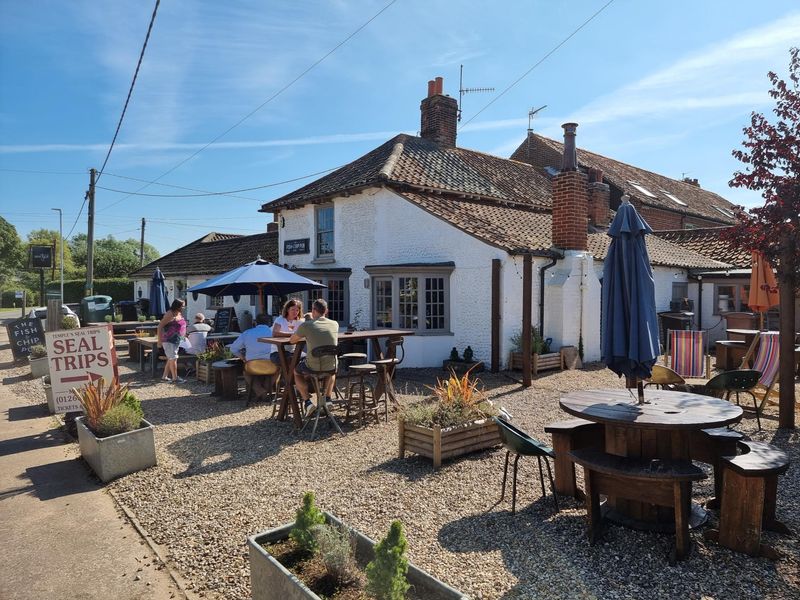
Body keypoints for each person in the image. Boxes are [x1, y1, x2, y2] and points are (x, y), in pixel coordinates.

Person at [289, 298, 339, 411]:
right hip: (331, 365)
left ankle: (307, 402)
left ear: (313, 310)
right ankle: (327, 398)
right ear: (326, 311)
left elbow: (292, 340)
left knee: (296, 372)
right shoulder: (335, 324)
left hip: (313, 366)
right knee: (331, 372)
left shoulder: (306, 325)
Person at [229, 313, 275, 400]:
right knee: (278, 369)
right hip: (271, 365)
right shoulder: (273, 333)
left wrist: (243, 357)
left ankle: (260, 391)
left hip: (253, 365)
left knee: (246, 373)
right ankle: (266, 389)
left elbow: (233, 348)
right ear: (270, 323)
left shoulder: (247, 333)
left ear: (255, 322)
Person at [158, 299, 187, 383]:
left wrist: (184, 335)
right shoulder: (170, 314)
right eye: (182, 306)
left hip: (177, 339)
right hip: (168, 340)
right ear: (177, 306)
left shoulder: (179, 313)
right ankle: (175, 378)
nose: (184, 307)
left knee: (171, 358)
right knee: (173, 358)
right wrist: (159, 341)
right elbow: (160, 327)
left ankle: (164, 376)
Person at [270, 298, 304, 364]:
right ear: (287, 309)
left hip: (293, 351)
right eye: (293, 309)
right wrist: (293, 334)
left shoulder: (300, 322)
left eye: (297, 310)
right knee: (292, 360)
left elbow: (304, 334)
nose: (295, 312)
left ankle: (292, 374)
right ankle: (290, 374)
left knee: (307, 358)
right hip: (277, 352)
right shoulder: (280, 319)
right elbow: (275, 333)